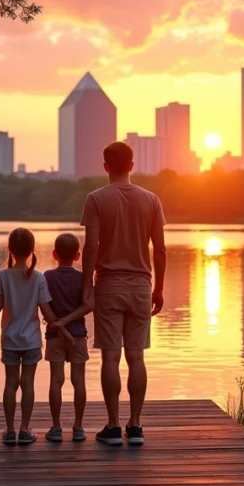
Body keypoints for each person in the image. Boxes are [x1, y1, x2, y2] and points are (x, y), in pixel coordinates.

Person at [80, 141, 167, 446]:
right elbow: (160, 249)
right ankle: (137, 426)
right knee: (136, 357)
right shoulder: (151, 200)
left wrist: (86, 285)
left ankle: (114, 426)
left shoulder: (95, 199)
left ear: (105, 166)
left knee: (110, 357)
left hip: (108, 285)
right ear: (132, 164)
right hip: (141, 286)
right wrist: (159, 287)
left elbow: (91, 246)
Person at [0, 227, 74, 446]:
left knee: (10, 384)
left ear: (10, 249)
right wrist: (61, 328)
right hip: (32, 340)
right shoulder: (37, 277)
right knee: (28, 383)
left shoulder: (3, 276)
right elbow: (46, 310)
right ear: (32, 249)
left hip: (9, 339)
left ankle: (9, 430)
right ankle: (24, 430)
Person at [43, 233, 93, 442]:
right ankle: (78, 427)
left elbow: (43, 305)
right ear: (77, 255)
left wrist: (60, 324)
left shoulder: (46, 276)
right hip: (78, 335)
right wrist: (68, 324)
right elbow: (89, 305)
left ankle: (56, 428)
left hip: (54, 334)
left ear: (54, 254)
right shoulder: (83, 277)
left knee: (56, 380)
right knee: (78, 380)